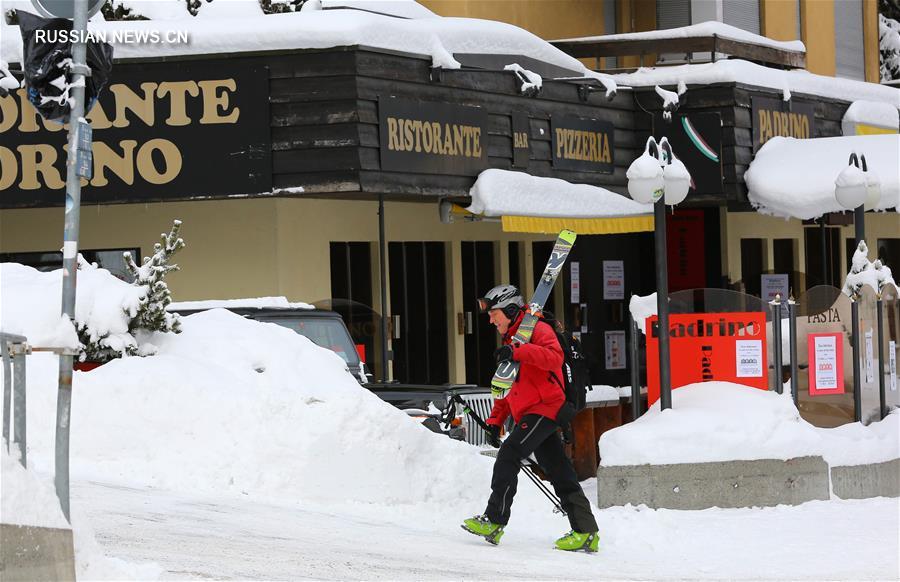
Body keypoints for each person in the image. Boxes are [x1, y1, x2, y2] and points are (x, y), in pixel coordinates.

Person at [461, 284, 599, 552]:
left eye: (495, 313)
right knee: (559, 469)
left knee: (510, 453)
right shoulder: (511, 341)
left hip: (547, 407)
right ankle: (586, 531)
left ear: (511, 310)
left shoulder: (537, 329)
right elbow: (507, 386)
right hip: (530, 411)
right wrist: (495, 421)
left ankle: (494, 519)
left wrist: (518, 352)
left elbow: (553, 358)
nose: (490, 319)